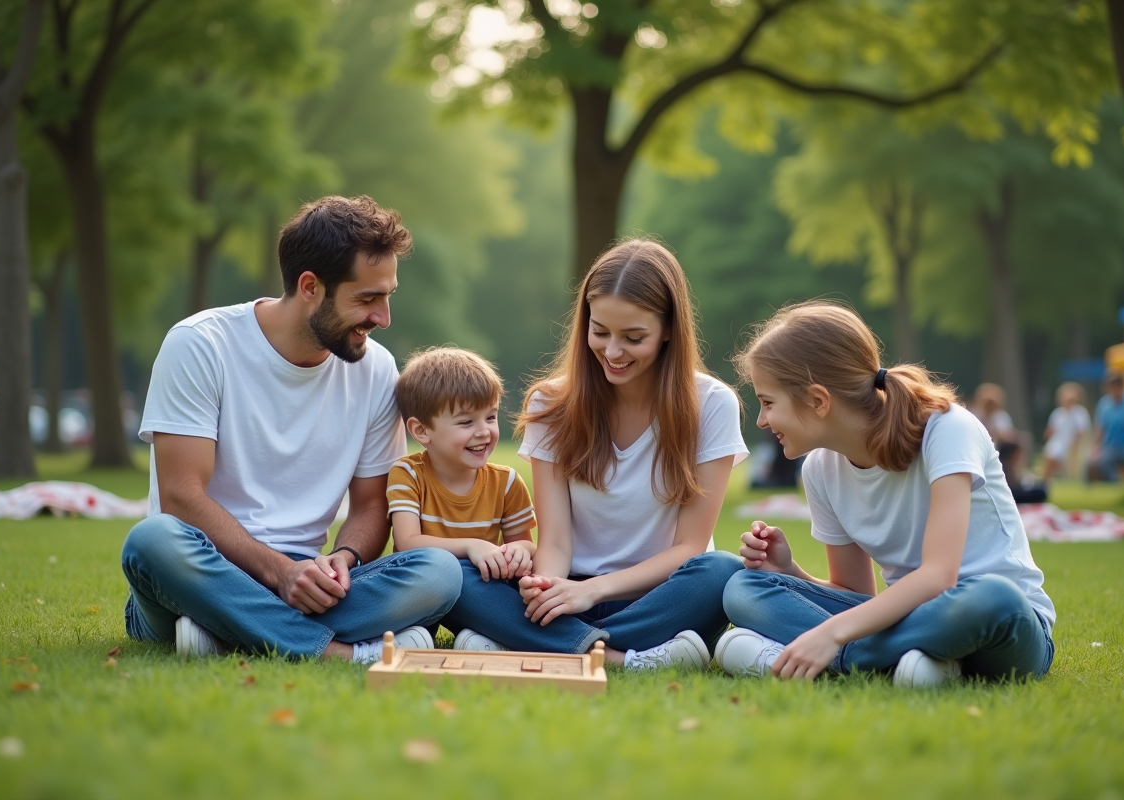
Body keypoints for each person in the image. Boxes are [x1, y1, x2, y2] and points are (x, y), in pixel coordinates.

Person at [120, 195, 462, 662]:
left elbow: (371, 504)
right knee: (152, 541)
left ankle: (226, 631)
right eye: (367, 299)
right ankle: (336, 652)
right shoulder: (200, 345)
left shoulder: (377, 370)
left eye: (387, 296)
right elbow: (181, 497)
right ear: (310, 287)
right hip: (205, 567)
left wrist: (343, 561)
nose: (383, 318)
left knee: (440, 571)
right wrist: (279, 574)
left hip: (310, 577)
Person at [440, 239, 747, 669]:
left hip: (659, 598)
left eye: (633, 337)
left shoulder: (712, 403)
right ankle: (627, 657)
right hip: (570, 596)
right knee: (451, 575)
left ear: (669, 330)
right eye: (600, 332)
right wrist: (546, 586)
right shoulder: (549, 403)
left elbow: (690, 549)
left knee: (722, 573)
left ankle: (532, 643)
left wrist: (595, 591)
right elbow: (557, 540)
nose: (613, 352)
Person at [717, 301, 1054, 687]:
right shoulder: (820, 470)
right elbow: (854, 594)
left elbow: (939, 577)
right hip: (908, 620)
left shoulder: (946, 429)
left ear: (818, 401)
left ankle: (831, 661)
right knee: (744, 588)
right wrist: (790, 573)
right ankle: (909, 663)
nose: (761, 420)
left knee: (994, 597)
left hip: (998, 624)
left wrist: (830, 635)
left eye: (767, 403)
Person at [388, 347, 538, 630]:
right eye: (466, 421)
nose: (484, 431)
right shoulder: (407, 473)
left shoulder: (505, 481)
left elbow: (525, 542)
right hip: (425, 590)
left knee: (510, 587)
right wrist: (472, 546)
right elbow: (408, 542)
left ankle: (479, 635)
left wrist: (518, 551)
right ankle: (417, 634)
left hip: (479, 586)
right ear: (421, 431)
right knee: (440, 575)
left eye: (490, 417)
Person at [1088, 372, 1124, 483]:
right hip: (1110, 447)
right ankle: (1115, 483)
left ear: (1122, 386)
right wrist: (1094, 448)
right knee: (1097, 462)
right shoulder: (1104, 403)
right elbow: (1100, 429)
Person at [1042, 382, 1091, 481]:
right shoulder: (1057, 413)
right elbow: (1051, 430)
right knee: (1050, 454)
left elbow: (1081, 432)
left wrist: (1074, 445)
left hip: (1070, 445)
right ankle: (1046, 479)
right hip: (1057, 443)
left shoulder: (1080, 413)